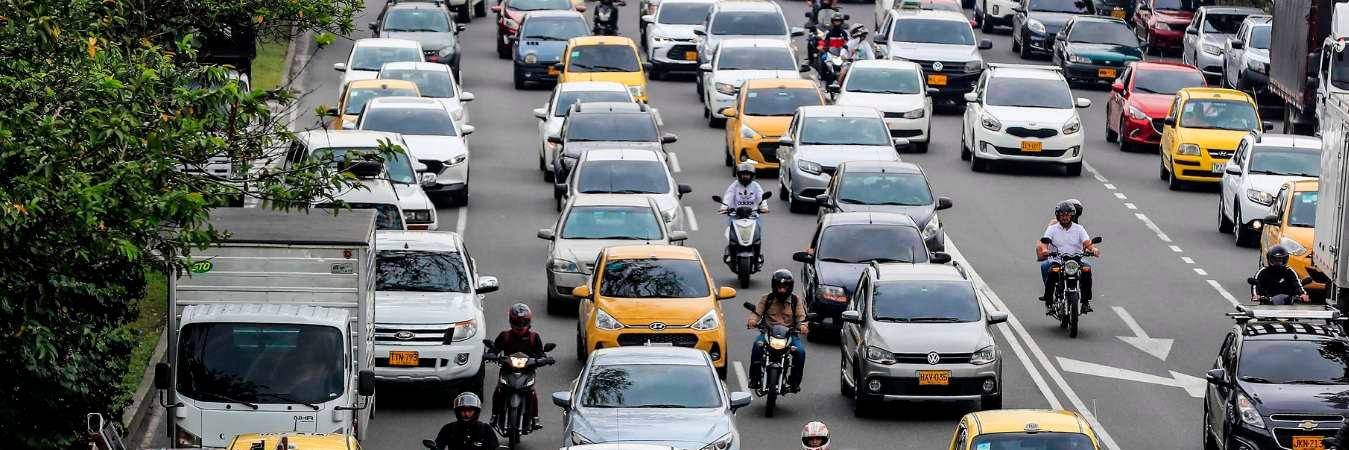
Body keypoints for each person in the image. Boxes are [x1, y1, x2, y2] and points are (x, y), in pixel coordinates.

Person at [747, 270, 809, 392]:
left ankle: (794, 382)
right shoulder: (766, 298)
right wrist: (752, 321)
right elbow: (756, 313)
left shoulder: (796, 301)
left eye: (784, 287)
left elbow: (802, 317)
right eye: (779, 287)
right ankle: (754, 378)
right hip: (768, 334)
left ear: (789, 287)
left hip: (789, 336)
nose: (781, 290)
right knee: (756, 347)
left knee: (801, 352)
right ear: (774, 286)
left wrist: (803, 326)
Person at [490, 303, 547, 430]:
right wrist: (491, 354)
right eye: (517, 322)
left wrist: (543, 359)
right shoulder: (504, 336)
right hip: (507, 371)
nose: (520, 326)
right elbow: (495, 348)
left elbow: (540, 353)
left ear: (529, 322)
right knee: (498, 391)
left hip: (527, 372)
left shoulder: (534, 337)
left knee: (532, 393)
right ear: (511, 321)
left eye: (523, 322)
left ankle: (535, 418)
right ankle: (494, 415)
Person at [1036, 201, 1099, 312]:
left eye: (1067, 214)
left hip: (1076, 260)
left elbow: (1087, 243)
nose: (1065, 217)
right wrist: (1045, 250)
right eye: (1062, 214)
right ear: (1058, 216)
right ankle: (1049, 301)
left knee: (1087, 270)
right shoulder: (1052, 229)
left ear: (1072, 216)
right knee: (1052, 272)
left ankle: (1085, 302)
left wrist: (1093, 249)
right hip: (1058, 260)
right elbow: (1044, 242)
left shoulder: (1079, 229)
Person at [432, 393, 498, 450]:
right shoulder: (448, 428)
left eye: (470, 411)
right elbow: (438, 445)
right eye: (463, 411)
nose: (466, 414)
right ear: (458, 412)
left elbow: (495, 447)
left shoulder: (486, 429)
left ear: (476, 411)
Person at [721, 162, 768, 228]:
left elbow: (761, 197)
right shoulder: (735, 185)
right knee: (730, 229)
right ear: (739, 175)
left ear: (752, 175)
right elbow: (728, 196)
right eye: (743, 174)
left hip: (752, 215)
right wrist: (724, 207)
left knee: (758, 228)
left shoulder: (755, 186)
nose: (745, 176)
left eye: (747, 174)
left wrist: (764, 207)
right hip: (736, 215)